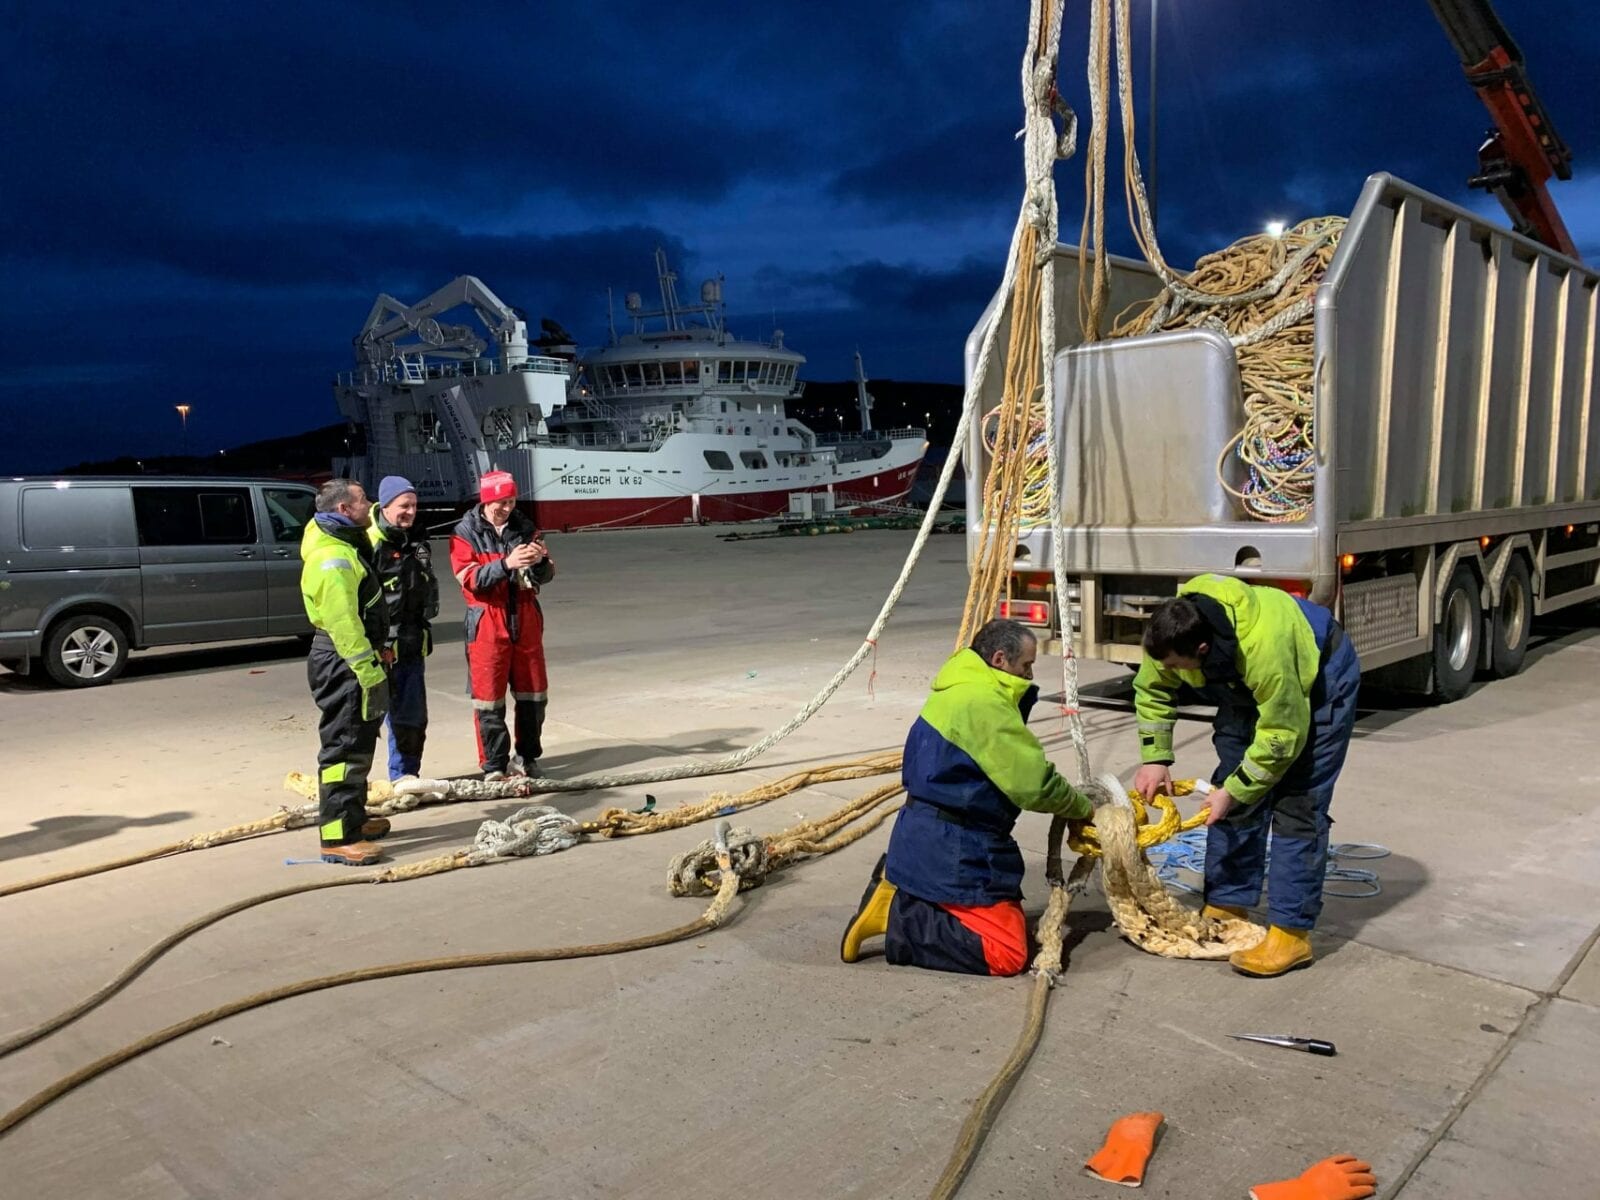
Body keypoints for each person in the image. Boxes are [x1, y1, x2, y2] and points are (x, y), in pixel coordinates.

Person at [1131, 574, 1360, 978]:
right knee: (1232, 796)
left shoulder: (1265, 648)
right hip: (1240, 681)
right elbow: (1152, 691)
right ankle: (1228, 902)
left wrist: (1235, 790)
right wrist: (1155, 758)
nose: (1166, 669)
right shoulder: (1171, 631)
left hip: (1321, 677)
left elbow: (1281, 737)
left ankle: (1291, 933)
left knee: (1297, 804)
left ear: (1201, 649)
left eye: (1174, 666)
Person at [840, 619, 1093, 976]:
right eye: (1026, 666)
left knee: (1008, 922)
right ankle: (898, 914)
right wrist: (1083, 807)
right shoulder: (982, 701)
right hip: (953, 845)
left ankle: (910, 891)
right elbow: (1033, 784)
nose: (1030, 674)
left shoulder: (962, 684)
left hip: (937, 832)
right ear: (1000, 659)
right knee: (1005, 953)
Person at [300, 478, 391, 866]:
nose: (369, 505)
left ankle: (353, 817)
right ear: (343, 510)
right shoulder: (331, 559)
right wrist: (369, 671)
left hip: (348, 657)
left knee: (358, 744)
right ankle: (337, 837)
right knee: (343, 748)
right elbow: (344, 625)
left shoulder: (339, 539)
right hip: (344, 660)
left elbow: (379, 527)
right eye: (362, 500)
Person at [450, 470, 555, 779]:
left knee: (533, 695)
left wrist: (540, 563)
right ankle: (494, 765)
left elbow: (546, 576)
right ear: (485, 500)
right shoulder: (464, 533)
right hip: (486, 620)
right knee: (488, 699)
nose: (506, 508)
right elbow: (470, 579)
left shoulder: (526, 528)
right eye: (499, 502)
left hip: (525, 617)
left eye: (510, 501)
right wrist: (507, 564)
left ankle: (527, 757)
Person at [368, 475, 439, 780]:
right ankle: (355, 787)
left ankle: (406, 779)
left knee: (412, 719)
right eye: (403, 505)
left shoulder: (416, 539)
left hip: (411, 644)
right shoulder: (369, 542)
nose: (410, 511)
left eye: (414, 505)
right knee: (366, 722)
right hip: (378, 649)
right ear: (385, 506)